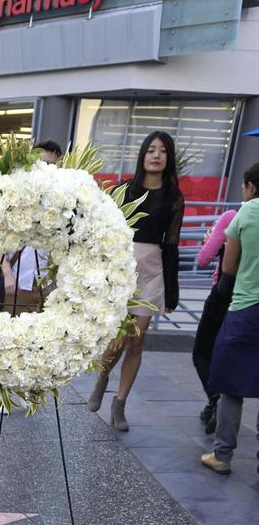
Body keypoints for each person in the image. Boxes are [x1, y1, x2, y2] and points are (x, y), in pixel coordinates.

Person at [87, 131, 184, 430]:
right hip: (121, 272)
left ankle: (120, 403)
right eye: (151, 150)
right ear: (142, 155)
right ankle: (102, 380)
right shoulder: (124, 190)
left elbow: (172, 245)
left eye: (163, 150)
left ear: (169, 158)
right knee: (116, 341)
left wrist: (171, 291)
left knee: (137, 342)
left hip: (152, 273)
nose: (156, 155)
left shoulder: (174, 198)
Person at [201, 164, 259, 475]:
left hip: (246, 310)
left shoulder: (245, 215)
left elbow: (229, 268)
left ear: (250, 186)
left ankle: (222, 455)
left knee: (231, 387)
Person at [191, 202, 241, 432]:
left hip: (223, 294)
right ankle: (214, 406)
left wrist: (211, 239)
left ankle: (215, 399)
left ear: (250, 188)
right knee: (229, 355)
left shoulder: (233, 216)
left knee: (202, 351)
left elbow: (204, 258)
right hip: (248, 300)